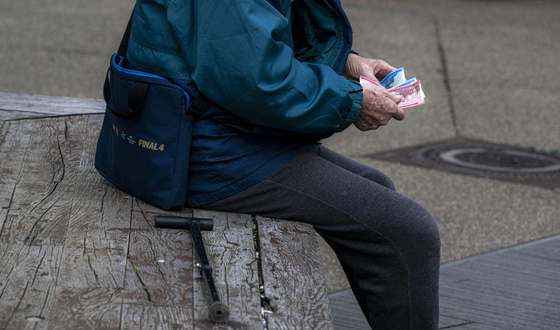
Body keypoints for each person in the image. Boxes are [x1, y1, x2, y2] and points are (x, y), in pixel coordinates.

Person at [126, 0, 441, 328]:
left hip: (213, 129)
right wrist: (350, 100)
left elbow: (254, 39)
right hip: (195, 152)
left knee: (379, 190)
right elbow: (255, 79)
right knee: (410, 232)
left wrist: (345, 63)